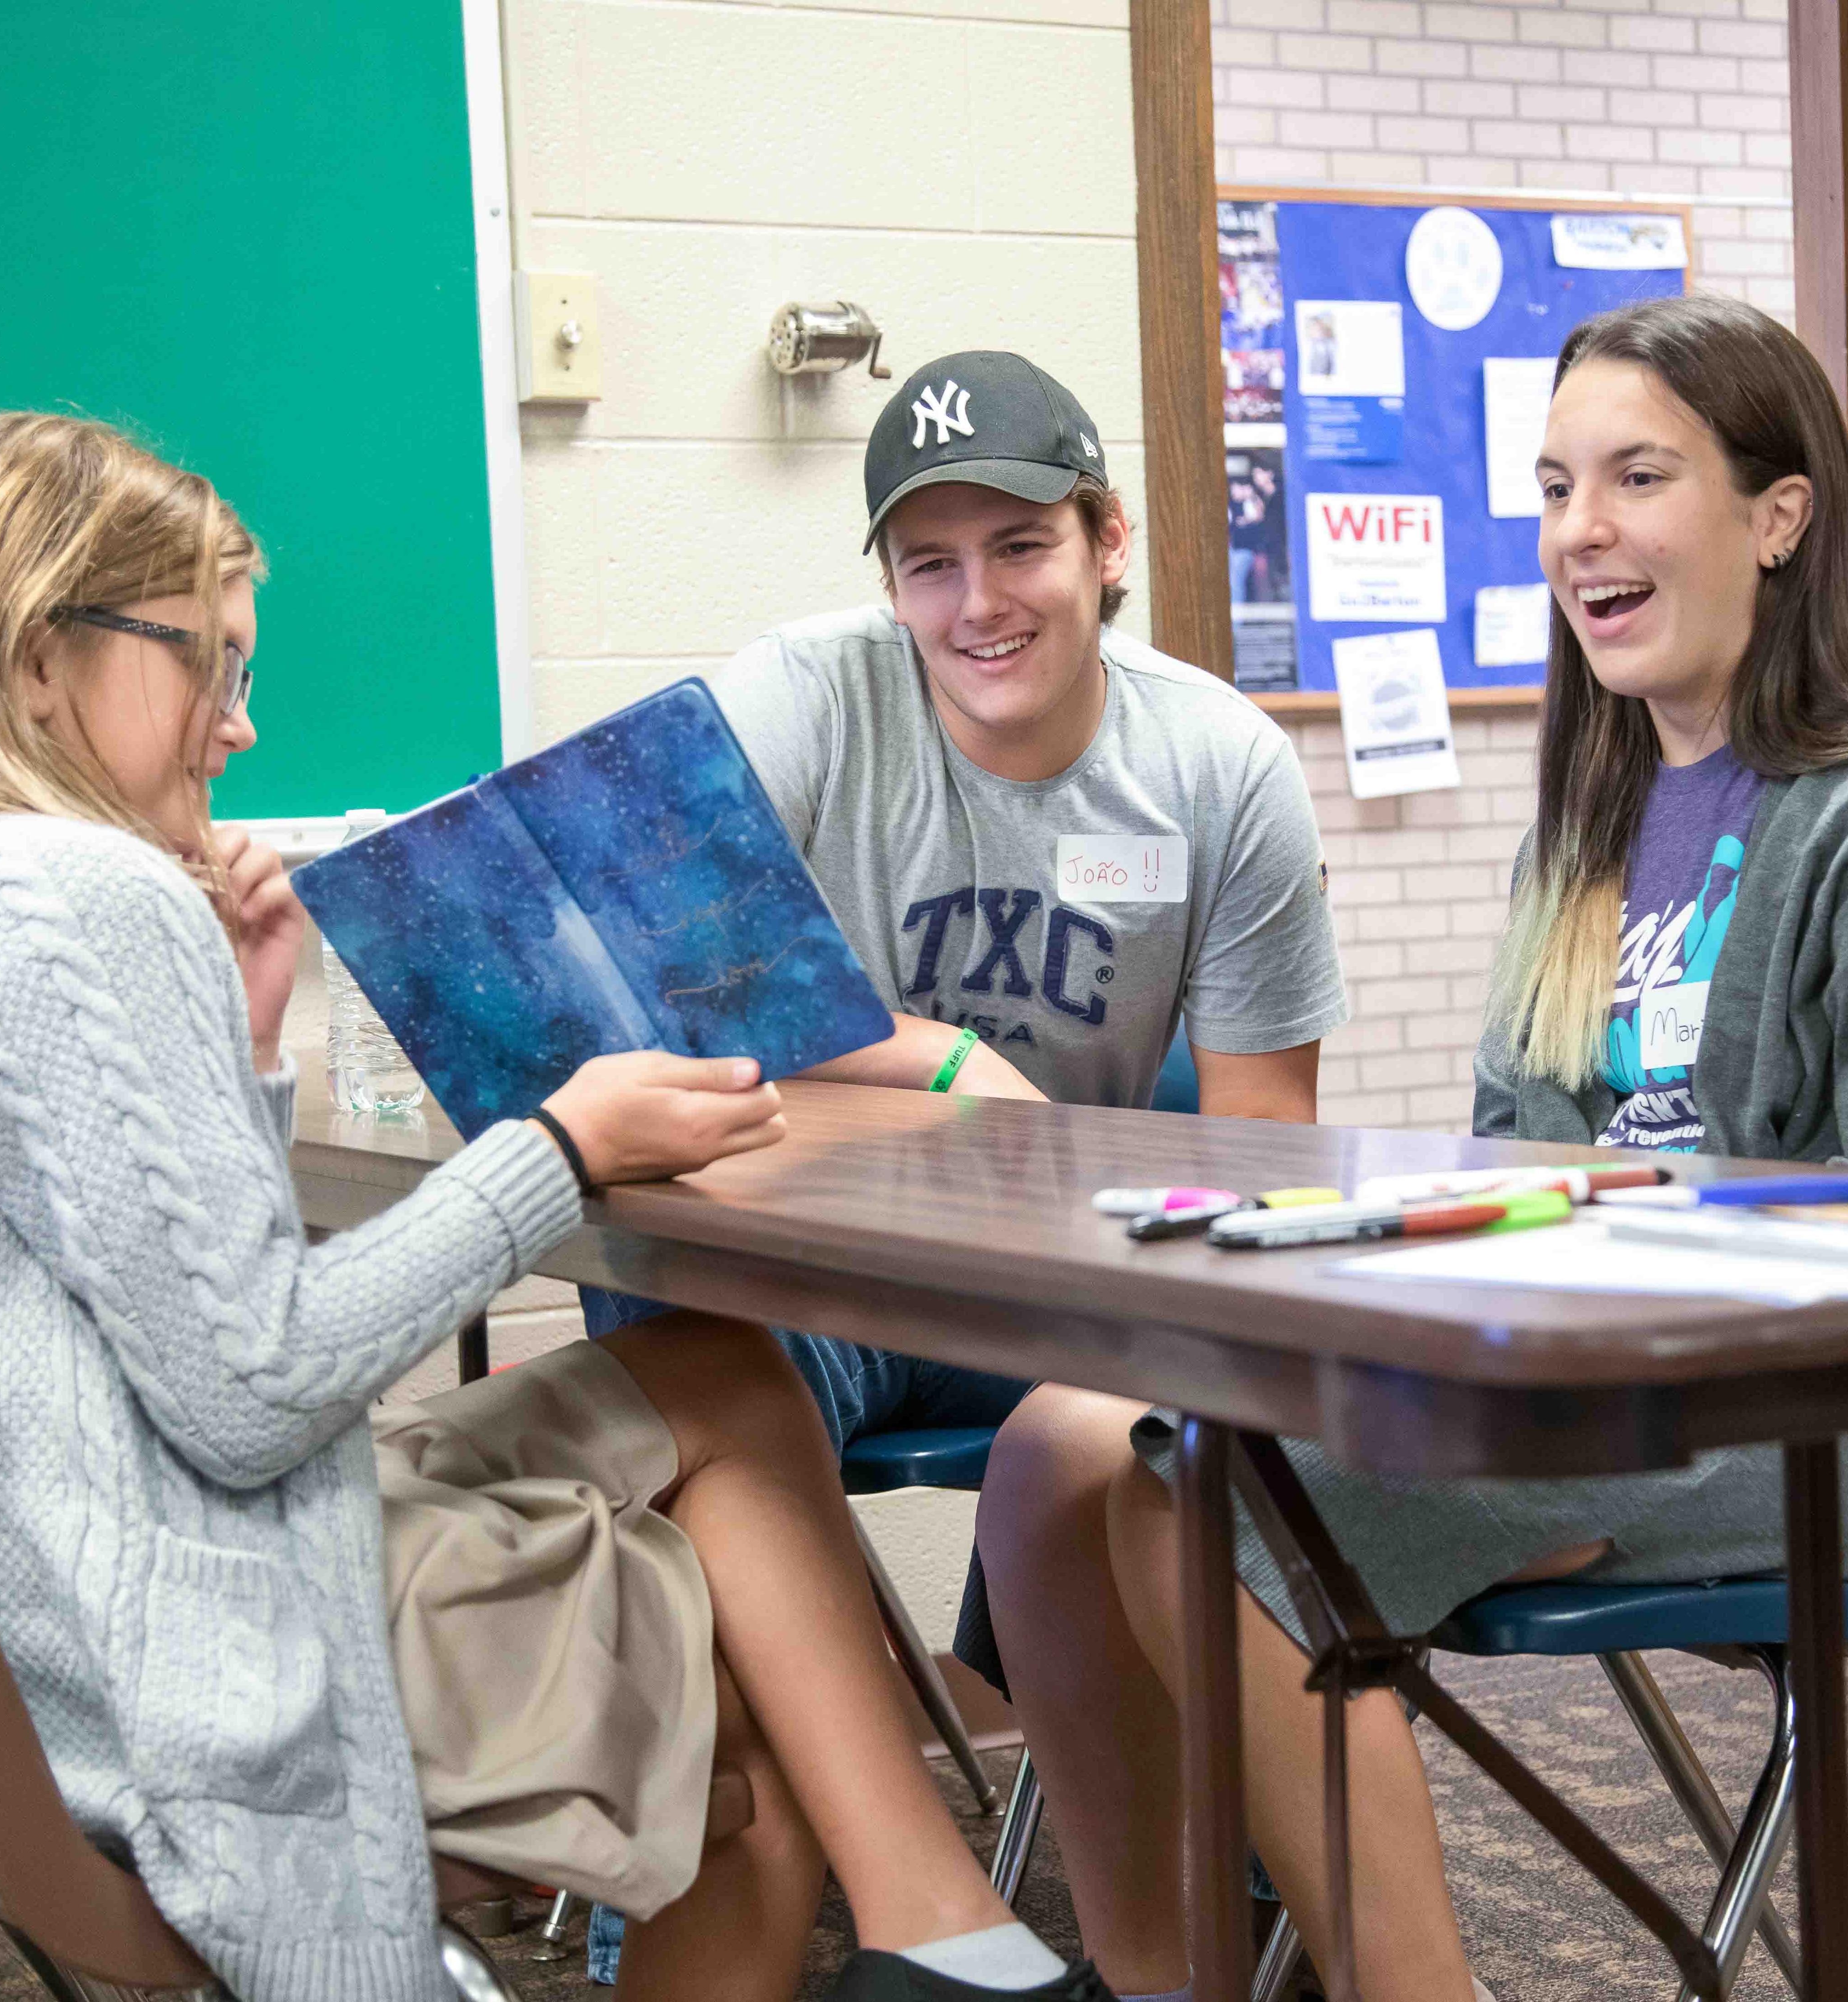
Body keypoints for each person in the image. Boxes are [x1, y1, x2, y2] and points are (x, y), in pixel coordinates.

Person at [0, 411, 1118, 2002]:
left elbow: (175, 1297)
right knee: (728, 1729)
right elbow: (254, 1388)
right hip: (144, 1645)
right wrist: (563, 1149)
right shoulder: (78, 898)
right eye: (211, 664)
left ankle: (946, 1942)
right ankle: (952, 1944)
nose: (238, 729)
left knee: (726, 1372)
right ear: (48, 651)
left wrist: (248, 1044)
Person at [974, 294, 1848, 2002]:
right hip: (1600, 1360)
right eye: (1557, 485)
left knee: (1203, 1496)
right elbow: (1528, 1160)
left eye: (1640, 477)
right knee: (1058, 1447)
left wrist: (1555, 1271)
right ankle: (1154, 1979)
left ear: (1778, 516)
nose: (1582, 531)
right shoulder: (1600, 818)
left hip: (1826, 1399)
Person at [577, 348, 1348, 1982]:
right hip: (822, 1280)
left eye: (1020, 547)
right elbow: (640, 925)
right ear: (888, 584)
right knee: (677, 1351)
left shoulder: (1217, 765)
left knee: (1182, 1414)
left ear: (1108, 542)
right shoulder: (811, 690)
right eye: (931, 563)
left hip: (1067, 1281)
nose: (978, 601)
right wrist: (931, 1053)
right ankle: (828, 1882)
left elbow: (1268, 1146)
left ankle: (1143, 1878)